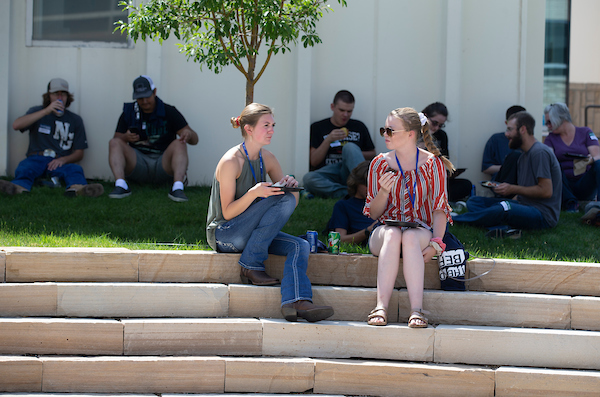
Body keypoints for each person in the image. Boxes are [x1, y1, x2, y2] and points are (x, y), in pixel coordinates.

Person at [206, 103, 334, 323]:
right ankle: (250, 265)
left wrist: (290, 186)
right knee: (277, 196)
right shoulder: (231, 162)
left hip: (254, 234)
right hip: (226, 234)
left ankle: (297, 301)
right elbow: (226, 214)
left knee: (300, 245)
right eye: (266, 125)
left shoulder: (269, 158)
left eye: (273, 125)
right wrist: (253, 193)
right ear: (248, 129)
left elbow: (288, 201)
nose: (272, 130)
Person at [364, 108, 454, 328]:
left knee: (411, 237)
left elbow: (439, 209)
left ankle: (417, 310)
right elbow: (373, 214)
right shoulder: (379, 163)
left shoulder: (433, 164)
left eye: (391, 130)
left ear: (411, 134)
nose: (385, 134)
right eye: (383, 129)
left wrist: (436, 244)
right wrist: (383, 192)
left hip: (419, 230)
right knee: (394, 234)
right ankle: (381, 307)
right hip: (385, 230)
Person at [453, 111, 562, 231]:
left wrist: (512, 189)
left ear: (522, 130)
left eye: (510, 129)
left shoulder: (539, 153)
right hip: (523, 205)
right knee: (474, 202)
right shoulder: (522, 156)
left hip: (542, 214)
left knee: (504, 207)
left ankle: (456, 220)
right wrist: (507, 195)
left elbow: (546, 191)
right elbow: (523, 192)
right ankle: (503, 226)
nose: (506, 134)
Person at [1, 78, 103, 197]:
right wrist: (46, 111)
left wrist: (63, 160)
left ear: (67, 97)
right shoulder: (37, 111)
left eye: (63, 94)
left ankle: (78, 189)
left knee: (75, 169)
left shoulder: (75, 120)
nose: (60, 98)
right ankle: (18, 188)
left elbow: (79, 153)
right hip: (36, 157)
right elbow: (16, 125)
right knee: (25, 167)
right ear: (48, 96)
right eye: (55, 94)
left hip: (60, 161)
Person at [108, 75, 199, 202]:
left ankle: (177, 188)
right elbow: (116, 140)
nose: (144, 101)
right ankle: (121, 185)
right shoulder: (129, 112)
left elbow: (195, 140)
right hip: (138, 163)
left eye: (147, 96)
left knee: (180, 143)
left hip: (163, 163)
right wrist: (125, 137)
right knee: (114, 143)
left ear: (154, 92)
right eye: (140, 98)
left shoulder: (169, 111)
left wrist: (187, 134)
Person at [303, 90, 375, 198]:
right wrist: (328, 140)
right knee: (308, 179)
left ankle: (364, 188)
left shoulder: (359, 126)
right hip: (331, 172)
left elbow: (373, 154)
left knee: (350, 147)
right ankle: (350, 194)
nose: (345, 115)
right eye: (341, 110)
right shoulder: (318, 127)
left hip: (353, 170)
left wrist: (351, 153)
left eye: (349, 111)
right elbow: (314, 161)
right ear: (332, 107)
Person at [543, 102, 600, 212]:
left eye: (550, 122)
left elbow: (597, 156)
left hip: (583, 181)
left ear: (560, 118)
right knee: (551, 163)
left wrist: (590, 160)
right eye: (546, 123)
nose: (548, 126)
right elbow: (548, 160)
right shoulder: (550, 138)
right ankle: (570, 203)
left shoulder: (585, 132)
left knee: (599, 164)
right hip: (562, 184)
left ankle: (598, 206)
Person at [421, 102, 472, 202]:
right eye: (434, 123)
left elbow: (444, 159)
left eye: (440, 125)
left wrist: (449, 172)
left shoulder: (441, 135)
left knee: (465, 184)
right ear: (425, 116)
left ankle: (436, 198)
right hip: (415, 179)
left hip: (435, 179)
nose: (436, 128)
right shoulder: (411, 132)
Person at [326, 161, 378, 245]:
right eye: (367, 184)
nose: (370, 188)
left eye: (374, 184)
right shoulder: (344, 206)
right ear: (357, 182)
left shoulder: (384, 203)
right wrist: (368, 230)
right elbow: (339, 239)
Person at [481, 105, 526, 184]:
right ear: (507, 123)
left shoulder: (529, 142)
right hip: (502, 182)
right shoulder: (496, 140)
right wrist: (508, 167)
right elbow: (486, 168)